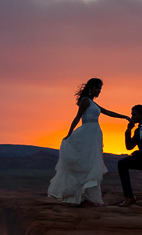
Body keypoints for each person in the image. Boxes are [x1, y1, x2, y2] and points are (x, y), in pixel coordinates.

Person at [48, 78, 130, 206]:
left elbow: (107, 112)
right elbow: (77, 117)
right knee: (85, 163)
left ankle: (86, 195)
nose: (99, 91)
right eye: (97, 88)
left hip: (94, 135)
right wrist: (69, 133)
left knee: (91, 163)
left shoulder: (92, 103)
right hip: (87, 134)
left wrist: (124, 117)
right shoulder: (86, 101)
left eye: (100, 89)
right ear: (91, 88)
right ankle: (78, 194)